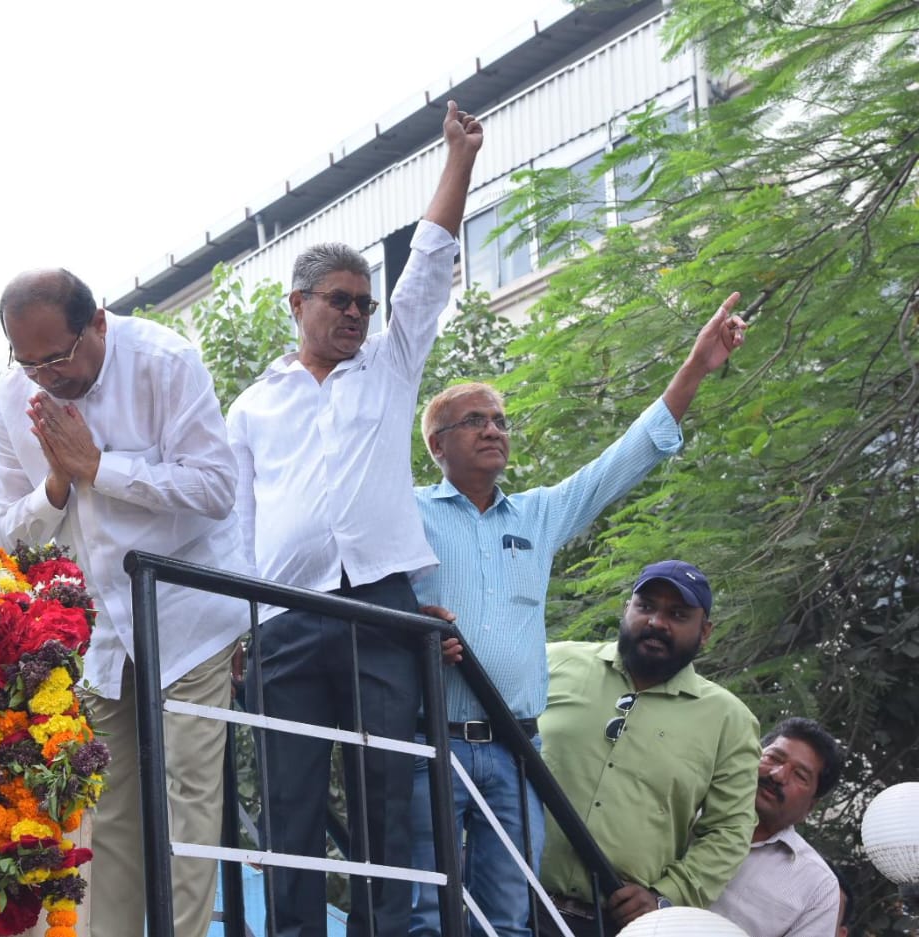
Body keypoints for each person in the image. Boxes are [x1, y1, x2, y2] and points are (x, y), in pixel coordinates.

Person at [408, 297, 747, 937]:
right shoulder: (405, 512)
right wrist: (413, 622)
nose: (493, 430)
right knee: (424, 914)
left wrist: (697, 367)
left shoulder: (538, 514)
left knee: (508, 919)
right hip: (431, 741)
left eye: (500, 420)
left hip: (515, 749)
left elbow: (625, 459)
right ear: (436, 444)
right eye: (474, 420)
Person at [226, 100, 484, 937]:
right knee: (290, 800)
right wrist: (238, 626)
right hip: (284, 615)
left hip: (379, 604)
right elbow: (235, 525)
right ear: (297, 303)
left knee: (386, 800)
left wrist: (459, 160)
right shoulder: (252, 406)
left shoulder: (390, 365)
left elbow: (430, 266)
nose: (355, 315)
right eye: (339, 300)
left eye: (364, 304)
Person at [0, 267, 248, 937]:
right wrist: (56, 484)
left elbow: (217, 488)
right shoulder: (13, 397)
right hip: (96, 632)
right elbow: (6, 536)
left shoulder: (164, 361)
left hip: (187, 613)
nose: (46, 377)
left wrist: (101, 469)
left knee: (189, 795)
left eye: (58, 357)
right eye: (29, 362)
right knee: (105, 805)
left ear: (98, 322)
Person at [537, 560, 761, 937]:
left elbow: (729, 830)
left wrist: (666, 896)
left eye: (678, 614)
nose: (657, 622)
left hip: (612, 926)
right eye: (646, 606)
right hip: (504, 901)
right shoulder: (552, 662)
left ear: (705, 632)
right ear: (627, 608)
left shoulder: (730, 721)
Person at [711, 717, 845, 937]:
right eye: (773, 758)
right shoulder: (689, 809)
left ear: (810, 807)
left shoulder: (817, 886)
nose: (778, 775)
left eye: (799, 775)